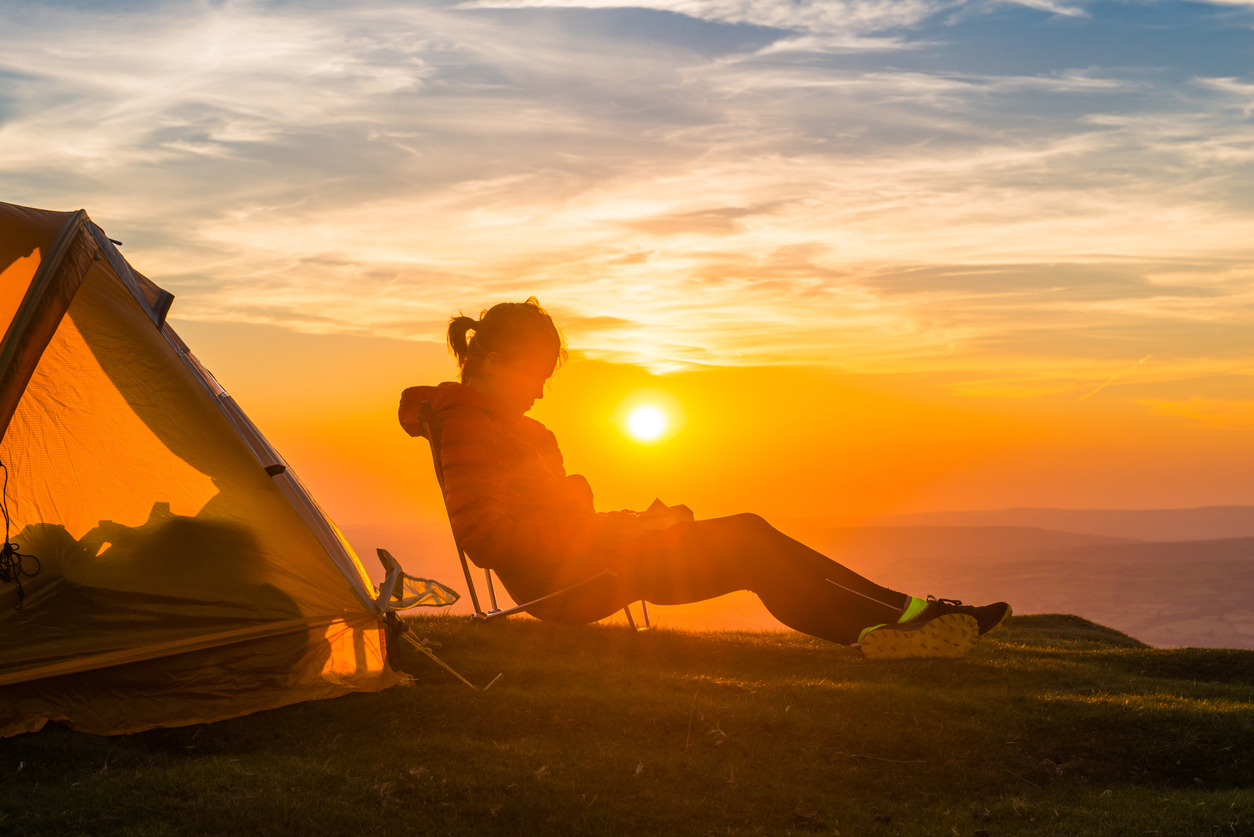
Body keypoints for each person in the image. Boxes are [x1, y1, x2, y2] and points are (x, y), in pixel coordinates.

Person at [399, 298, 1011, 659]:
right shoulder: (472, 428)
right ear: (495, 363)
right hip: (571, 584)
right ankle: (894, 626)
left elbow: (549, 520)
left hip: (593, 561)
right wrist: (612, 536)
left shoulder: (508, 428)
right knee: (747, 543)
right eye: (534, 376)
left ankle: (904, 619)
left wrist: (627, 526)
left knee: (751, 536)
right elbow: (487, 536)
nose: (539, 391)